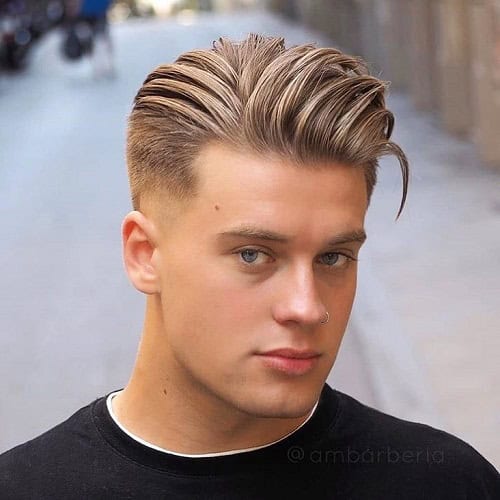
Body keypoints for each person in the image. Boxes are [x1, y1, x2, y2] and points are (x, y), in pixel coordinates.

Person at [0, 34, 498, 499]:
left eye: (333, 257)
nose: (307, 308)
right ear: (144, 254)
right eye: (253, 255)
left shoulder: (447, 482)